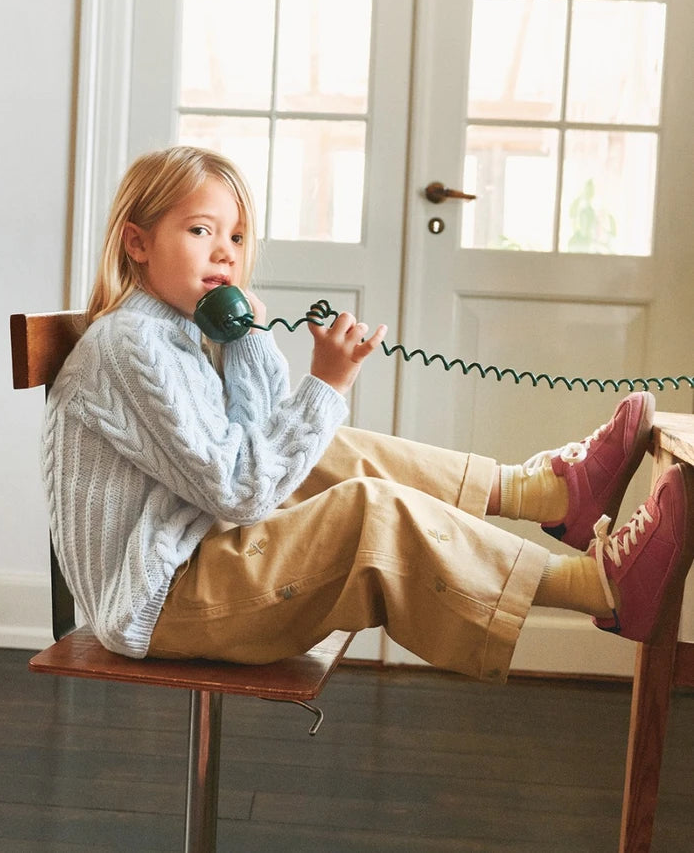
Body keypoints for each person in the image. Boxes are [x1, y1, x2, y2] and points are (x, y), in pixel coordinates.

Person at [41, 145, 694, 684]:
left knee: (326, 445)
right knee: (366, 509)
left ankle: (547, 493)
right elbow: (242, 490)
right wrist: (325, 384)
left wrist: (245, 340)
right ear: (137, 242)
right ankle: (599, 588)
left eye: (236, 236)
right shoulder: (132, 345)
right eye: (200, 230)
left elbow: (265, 448)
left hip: (197, 562)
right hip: (159, 601)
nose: (226, 253)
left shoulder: (178, 334)